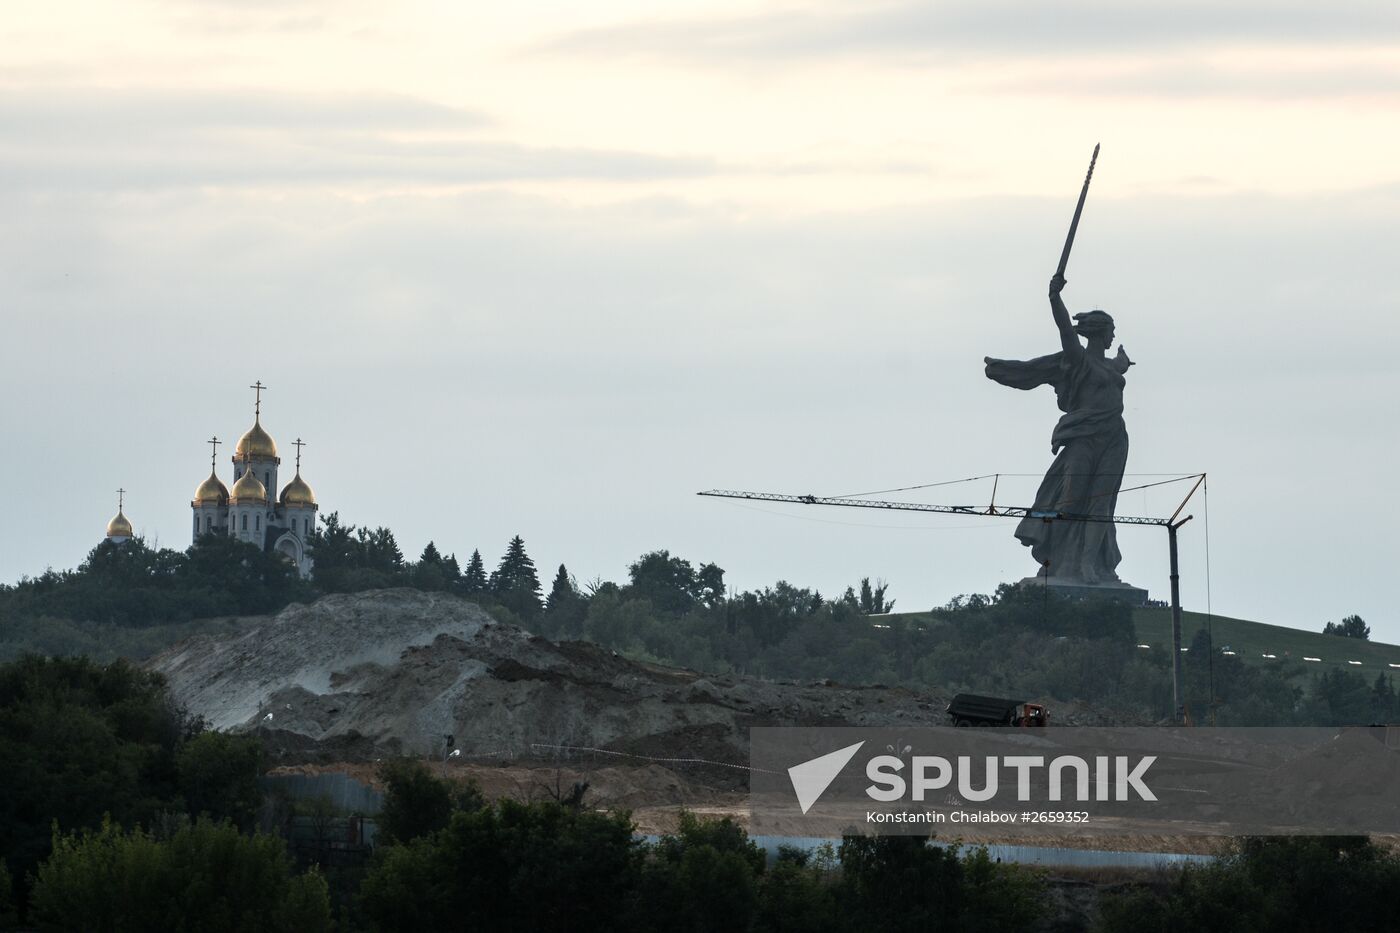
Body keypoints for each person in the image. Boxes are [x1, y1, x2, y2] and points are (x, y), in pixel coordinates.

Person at [984, 274, 1133, 584]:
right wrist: (1055, 297)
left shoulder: (1110, 366)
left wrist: (1121, 361)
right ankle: (1053, 559)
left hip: (1114, 439)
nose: (1113, 336)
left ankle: (1089, 564)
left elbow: (1116, 370)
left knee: (1102, 501)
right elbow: (1065, 329)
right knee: (1070, 498)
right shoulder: (1079, 360)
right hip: (1083, 439)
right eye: (1111, 331)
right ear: (1099, 333)